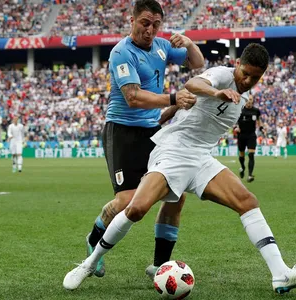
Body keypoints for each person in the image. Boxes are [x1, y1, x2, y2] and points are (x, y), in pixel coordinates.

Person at [64, 43, 296, 295]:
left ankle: (281, 274)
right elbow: (193, 85)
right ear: (238, 65)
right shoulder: (222, 75)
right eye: (245, 74)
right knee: (136, 208)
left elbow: (190, 101)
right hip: (174, 150)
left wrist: (168, 113)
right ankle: (88, 263)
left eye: (255, 77)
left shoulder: (243, 98)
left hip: (201, 157)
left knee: (247, 201)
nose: (247, 81)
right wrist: (216, 93)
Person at [83, 0, 204, 278]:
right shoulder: (121, 52)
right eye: (145, 23)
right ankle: (93, 240)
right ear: (133, 21)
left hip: (153, 132)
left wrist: (189, 42)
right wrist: (173, 98)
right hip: (123, 131)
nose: (150, 30)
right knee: (126, 201)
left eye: (156, 25)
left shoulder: (162, 46)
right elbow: (133, 97)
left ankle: (159, 265)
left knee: (175, 194)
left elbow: (197, 63)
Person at [235, 94, 261, 182]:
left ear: (252, 100)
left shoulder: (256, 111)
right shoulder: (240, 110)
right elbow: (234, 120)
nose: (249, 101)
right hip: (242, 135)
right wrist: (236, 127)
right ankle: (242, 167)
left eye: (251, 99)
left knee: (251, 154)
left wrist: (261, 127)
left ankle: (250, 175)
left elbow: (259, 121)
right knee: (241, 155)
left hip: (251, 135)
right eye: (248, 99)